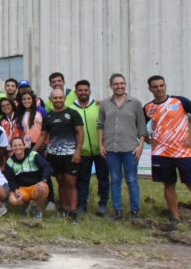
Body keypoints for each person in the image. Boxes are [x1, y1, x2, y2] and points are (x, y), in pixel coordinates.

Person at [97, 74, 147, 221]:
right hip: (111, 149)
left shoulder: (135, 103)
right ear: (111, 85)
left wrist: (141, 146)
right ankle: (117, 210)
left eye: (122, 83)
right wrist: (100, 145)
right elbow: (100, 125)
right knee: (115, 179)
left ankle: (135, 211)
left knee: (131, 179)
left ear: (125, 84)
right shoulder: (105, 104)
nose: (119, 86)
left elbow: (142, 127)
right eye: (116, 84)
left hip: (130, 149)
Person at [143, 75, 191, 225]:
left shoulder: (180, 101)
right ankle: (175, 216)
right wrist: (146, 138)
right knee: (168, 184)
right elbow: (138, 126)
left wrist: (190, 137)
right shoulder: (148, 107)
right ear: (150, 89)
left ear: (165, 85)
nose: (159, 89)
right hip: (161, 153)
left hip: (183, 152)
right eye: (155, 87)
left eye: (161, 85)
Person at [34, 89, 84, 223]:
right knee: (60, 181)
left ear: (64, 98)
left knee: (71, 182)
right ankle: (64, 208)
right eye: (55, 98)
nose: (58, 100)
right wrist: (33, 151)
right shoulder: (48, 116)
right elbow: (43, 135)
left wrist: (78, 151)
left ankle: (73, 212)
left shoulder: (72, 113)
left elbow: (80, 133)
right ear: (51, 99)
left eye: (60, 98)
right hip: (54, 155)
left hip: (70, 154)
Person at [71, 80, 109, 216]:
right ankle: (82, 204)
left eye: (85, 90)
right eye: (80, 90)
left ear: (90, 91)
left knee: (103, 178)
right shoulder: (71, 109)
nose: (83, 93)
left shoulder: (99, 106)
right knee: (82, 179)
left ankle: (103, 204)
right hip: (83, 151)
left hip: (101, 150)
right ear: (75, 92)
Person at [4, 137, 52, 219]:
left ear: (24, 146)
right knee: (13, 200)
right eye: (15, 145)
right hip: (22, 189)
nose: (18, 147)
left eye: (20, 145)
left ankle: (38, 210)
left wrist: (43, 180)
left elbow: (47, 167)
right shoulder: (9, 162)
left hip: (36, 186)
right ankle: (27, 205)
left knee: (43, 188)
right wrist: (15, 189)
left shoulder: (33, 155)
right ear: (11, 148)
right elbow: (11, 180)